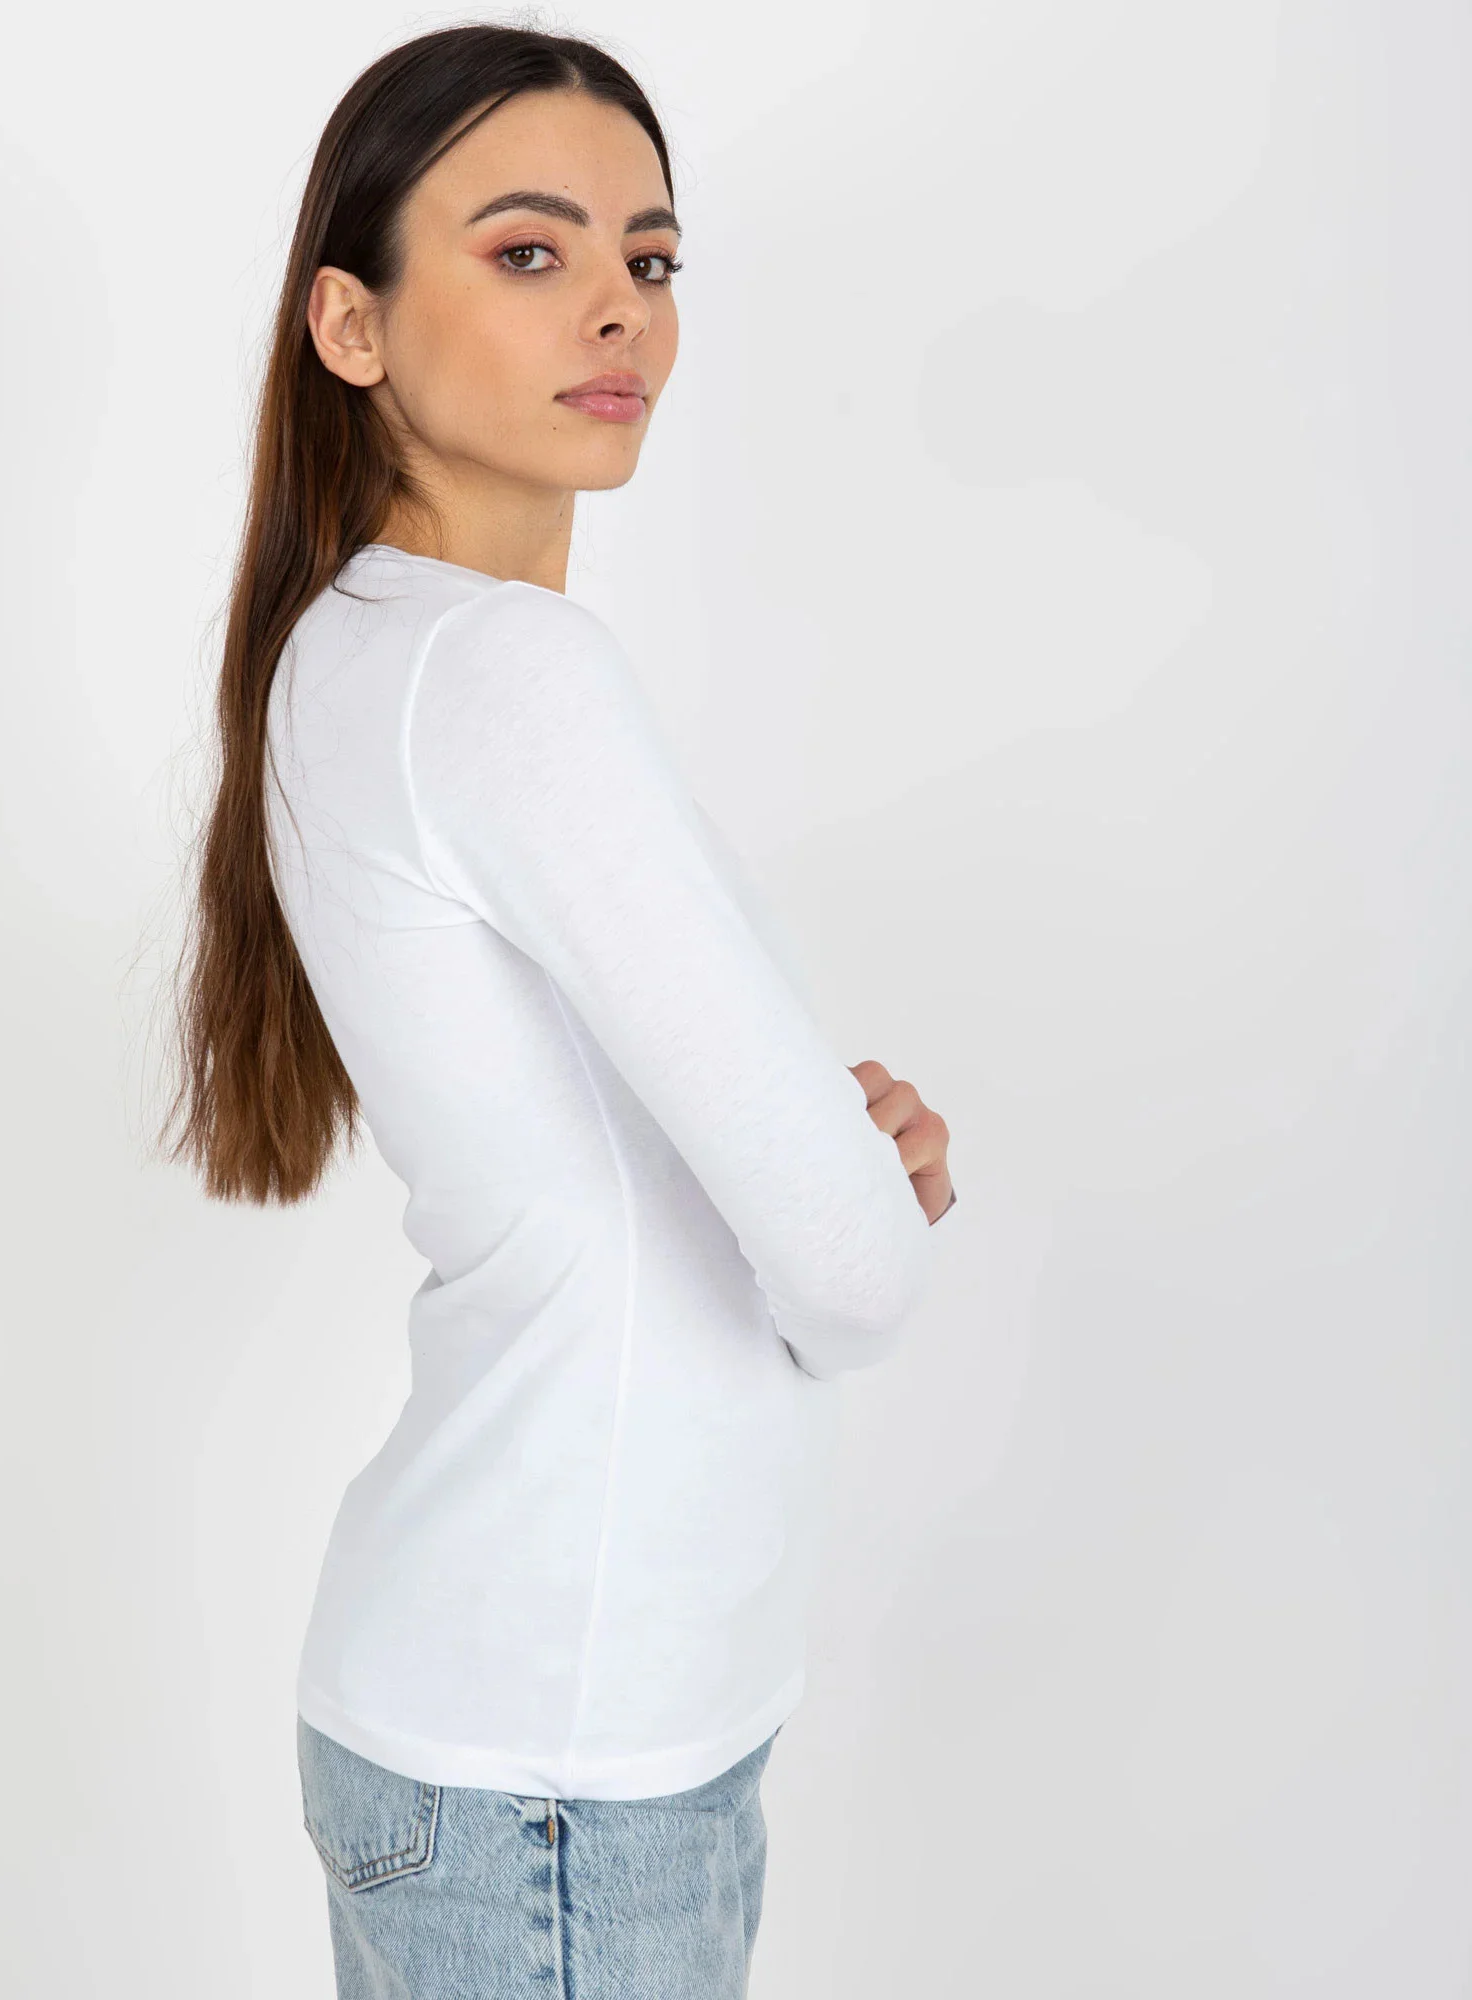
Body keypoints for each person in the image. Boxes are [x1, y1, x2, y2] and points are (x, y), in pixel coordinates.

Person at [163, 22, 956, 1998]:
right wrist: (849, 1184)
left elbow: (631, 1168)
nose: (620, 307)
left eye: (650, 257)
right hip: (562, 1777)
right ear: (350, 323)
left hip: (499, 1729)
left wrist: (822, 1163)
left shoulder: (352, 647)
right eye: (529, 251)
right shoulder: (509, 678)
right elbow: (853, 1276)